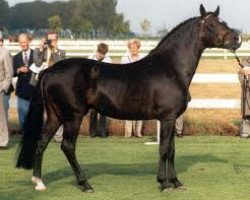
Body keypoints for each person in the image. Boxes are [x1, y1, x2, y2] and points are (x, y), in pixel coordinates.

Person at [33, 32, 66, 142]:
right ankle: (38, 134)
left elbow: (60, 66)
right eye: (49, 39)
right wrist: (40, 48)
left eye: (52, 40)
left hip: (55, 85)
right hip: (40, 82)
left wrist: (55, 51)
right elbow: (37, 63)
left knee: (57, 109)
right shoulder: (42, 51)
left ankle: (58, 137)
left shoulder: (61, 52)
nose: (50, 42)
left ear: (57, 40)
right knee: (38, 110)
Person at [88, 43, 112, 138]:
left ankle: (102, 132)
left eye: (104, 53)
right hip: (92, 88)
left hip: (103, 88)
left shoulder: (108, 59)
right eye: (101, 53)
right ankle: (92, 132)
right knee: (93, 110)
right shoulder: (90, 57)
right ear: (97, 51)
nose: (102, 55)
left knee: (103, 110)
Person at [13, 33, 35, 134]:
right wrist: (18, 70)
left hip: (35, 90)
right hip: (21, 91)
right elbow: (12, 73)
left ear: (29, 41)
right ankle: (25, 135)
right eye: (21, 42)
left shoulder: (36, 55)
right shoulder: (16, 57)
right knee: (22, 116)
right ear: (19, 43)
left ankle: (35, 135)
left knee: (35, 115)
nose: (23, 44)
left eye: (25, 42)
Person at [121, 38, 143, 138]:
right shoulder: (125, 59)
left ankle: (138, 132)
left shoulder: (143, 58)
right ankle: (128, 132)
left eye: (135, 47)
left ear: (138, 48)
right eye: (131, 47)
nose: (133, 49)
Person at [0, 35, 13, 149]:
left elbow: (9, 74)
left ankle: (3, 142)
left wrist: (3, 88)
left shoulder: (5, 53)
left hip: (0, 89)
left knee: (1, 117)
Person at [238, 57, 250, 138]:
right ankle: (245, 132)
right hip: (247, 92)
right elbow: (240, 74)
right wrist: (245, 75)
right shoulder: (245, 63)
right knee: (246, 114)